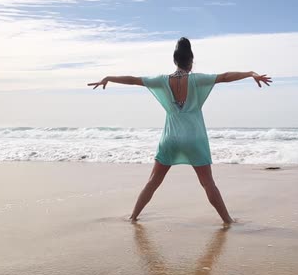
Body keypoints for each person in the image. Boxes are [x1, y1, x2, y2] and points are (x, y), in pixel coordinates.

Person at [87, 37, 272, 224]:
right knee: (208, 183)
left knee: (153, 182)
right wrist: (250, 73)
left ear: (175, 61)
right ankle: (227, 220)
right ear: (191, 61)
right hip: (195, 138)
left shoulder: (161, 80)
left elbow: (134, 80)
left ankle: (133, 216)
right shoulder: (197, 79)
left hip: (170, 138)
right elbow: (224, 77)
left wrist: (109, 78)